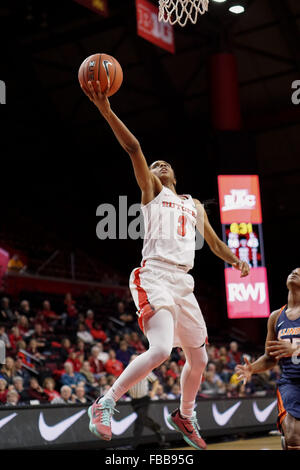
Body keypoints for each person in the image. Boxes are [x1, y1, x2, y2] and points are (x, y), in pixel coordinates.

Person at [83, 79, 250, 450]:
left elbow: (215, 243)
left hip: (183, 283)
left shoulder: (192, 205)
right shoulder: (151, 193)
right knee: (159, 351)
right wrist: (106, 109)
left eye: (164, 164)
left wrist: (235, 258)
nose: (157, 165)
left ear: (174, 175)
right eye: (153, 165)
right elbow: (133, 147)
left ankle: (185, 415)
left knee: (200, 356)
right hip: (154, 274)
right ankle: (105, 402)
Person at [237, 267, 300, 451]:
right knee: (293, 434)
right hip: (292, 382)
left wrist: (295, 348)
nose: (294, 272)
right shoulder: (276, 317)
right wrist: (252, 369)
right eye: (293, 271)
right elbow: (270, 358)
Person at [126, 354, 165, 449]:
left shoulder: (145, 370)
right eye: (132, 360)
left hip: (144, 399)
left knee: (139, 421)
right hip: (134, 401)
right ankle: (158, 429)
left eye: (135, 360)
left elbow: (155, 380)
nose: (133, 362)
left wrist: (153, 391)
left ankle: (133, 445)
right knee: (144, 420)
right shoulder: (126, 371)